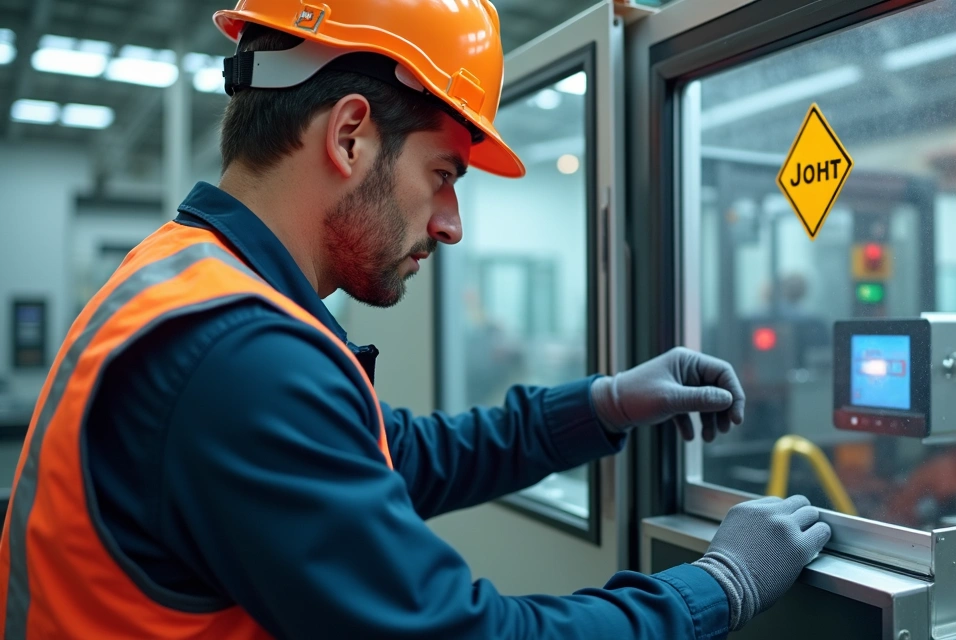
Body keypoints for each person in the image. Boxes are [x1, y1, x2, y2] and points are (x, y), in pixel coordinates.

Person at [0, 1, 832, 637]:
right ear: (352, 136)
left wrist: (603, 404)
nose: (451, 224)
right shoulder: (236, 359)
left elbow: (397, 456)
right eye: (442, 173)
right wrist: (717, 588)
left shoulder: (191, 280)